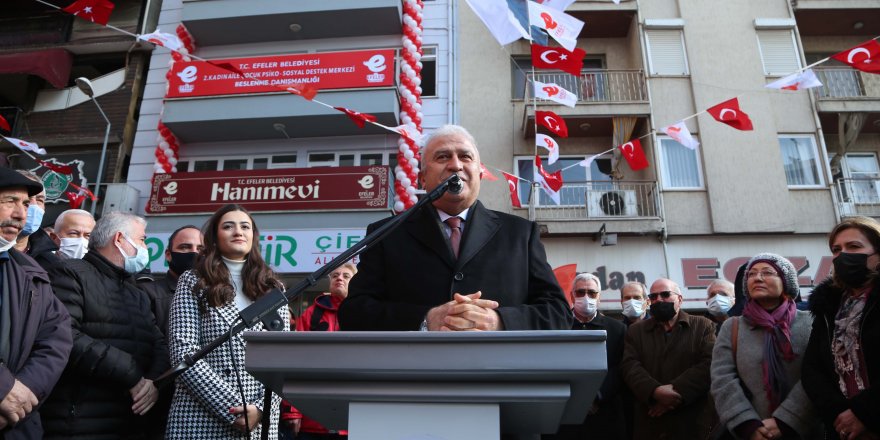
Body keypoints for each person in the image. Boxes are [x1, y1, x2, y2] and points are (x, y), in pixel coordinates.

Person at [338, 124, 570, 332]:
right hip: (416, 375)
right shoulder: (386, 233)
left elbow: (558, 312)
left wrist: (499, 321)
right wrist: (425, 320)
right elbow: (354, 312)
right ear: (422, 178)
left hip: (501, 374)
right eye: (442, 157)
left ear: (479, 173)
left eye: (465, 157)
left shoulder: (520, 233)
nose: (455, 165)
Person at [41, 211, 168, 439]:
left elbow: (157, 342)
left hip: (128, 422)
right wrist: (132, 374)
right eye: (142, 239)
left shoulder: (135, 292)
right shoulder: (69, 273)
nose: (145, 247)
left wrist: (152, 382)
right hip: (78, 422)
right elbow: (65, 336)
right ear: (119, 239)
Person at [166, 204, 288, 440]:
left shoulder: (273, 288)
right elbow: (183, 351)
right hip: (201, 417)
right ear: (215, 237)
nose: (238, 232)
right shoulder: (193, 281)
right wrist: (234, 407)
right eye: (228, 226)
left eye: (245, 226)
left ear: (253, 235)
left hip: (259, 422)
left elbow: (283, 358)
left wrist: (262, 410)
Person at [711, 253, 820, 440]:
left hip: (804, 429)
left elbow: (818, 374)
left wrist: (787, 420)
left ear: (786, 282)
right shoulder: (733, 326)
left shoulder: (811, 322)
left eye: (767, 272)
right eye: (751, 274)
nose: (757, 278)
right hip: (752, 431)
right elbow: (722, 378)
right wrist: (746, 423)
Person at [0, 167, 72, 439]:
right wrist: (4, 387)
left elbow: (56, 339)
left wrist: (24, 392)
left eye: (26, 204)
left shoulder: (32, 273)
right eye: (10, 201)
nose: (21, 214)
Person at [803, 217, 880, 440]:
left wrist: (863, 413)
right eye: (836, 249)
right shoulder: (828, 306)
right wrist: (841, 414)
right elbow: (813, 369)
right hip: (845, 430)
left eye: (853, 246)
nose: (842, 255)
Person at [620, 278, 716, 440]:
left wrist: (675, 393)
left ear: (680, 299)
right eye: (654, 296)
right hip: (650, 422)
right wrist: (655, 391)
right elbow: (630, 366)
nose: (659, 300)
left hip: (692, 421)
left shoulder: (703, 325)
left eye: (665, 294)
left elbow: (709, 363)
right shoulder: (636, 331)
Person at [137, 225, 203, 440]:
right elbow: (149, 346)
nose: (194, 253)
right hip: (157, 405)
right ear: (168, 254)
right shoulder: (148, 293)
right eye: (185, 247)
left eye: (200, 249)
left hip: (203, 407)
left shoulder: (217, 299)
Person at [546, 273, 626, 440]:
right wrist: (576, 399)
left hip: (604, 414)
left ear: (599, 297)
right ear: (572, 295)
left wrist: (596, 396)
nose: (586, 297)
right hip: (563, 414)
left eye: (592, 293)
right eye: (580, 292)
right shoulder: (556, 326)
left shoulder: (617, 329)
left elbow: (620, 367)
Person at [281, 263, 357, 440]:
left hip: (355, 418)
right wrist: (292, 412)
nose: (339, 278)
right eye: (335, 275)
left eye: (346, 276)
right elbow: (294, 361)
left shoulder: (364, 313)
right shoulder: (311, 314)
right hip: (313, 419)